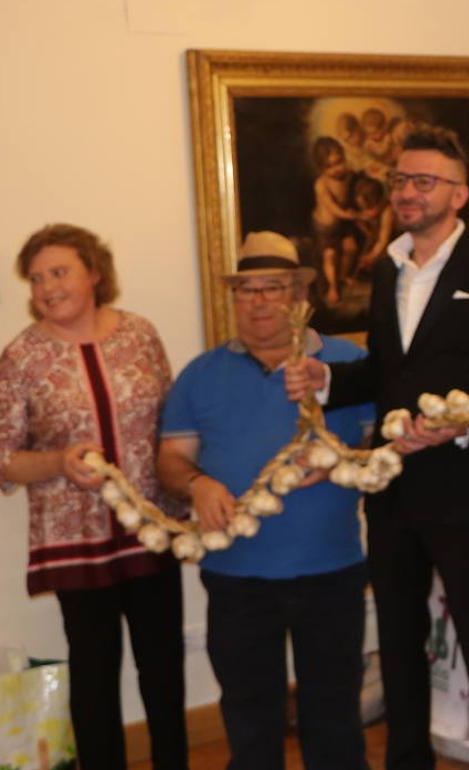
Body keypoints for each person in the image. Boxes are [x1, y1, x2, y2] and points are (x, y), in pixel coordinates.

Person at [284, 123, 469, 770]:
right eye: (401, 180)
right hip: (393, 487)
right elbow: (387, 375)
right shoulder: (386, 269)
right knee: (400, 645)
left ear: (458, 195)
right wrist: (328, 377)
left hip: (465, 489)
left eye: (422, 181)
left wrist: (465, 421)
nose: (406, 192)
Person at [157, 231, 373, 769]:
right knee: (250, 719)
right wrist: (198, 484)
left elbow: (385, 447)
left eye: (271, 288)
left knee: (334, 718)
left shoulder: (348, 363)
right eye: (245, 290)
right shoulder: (201, 375)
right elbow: (170, 460)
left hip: (331, 571)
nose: (257, 301)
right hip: (237, 576)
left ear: (300, 298)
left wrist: (338, 459)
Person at [0, 223, 188, 770]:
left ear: (94, 272)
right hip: (76, 541)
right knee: (95, 676)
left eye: (59, 271)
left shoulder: (140, 334)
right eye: (36, 278)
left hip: (149, 529)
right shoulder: (21, 357)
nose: (46, 287)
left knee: (164, 668)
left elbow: (172, 425)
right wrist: (57, 462)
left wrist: (183, 506)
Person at [311, 135, 360, 306]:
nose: (337, 169)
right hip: (327, 226)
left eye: (339, 162)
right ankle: (332, 287)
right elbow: (331, 206)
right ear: (321, 168)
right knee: (330, 256)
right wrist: (347, 214)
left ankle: (342, 276)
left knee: (350, 248)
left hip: (343, 223)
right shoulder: (321, 184)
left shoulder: (347, 175)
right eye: (330, 166)